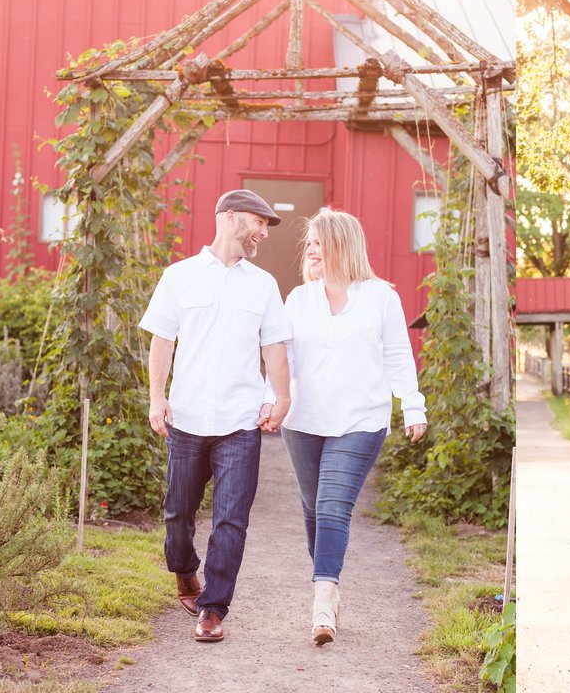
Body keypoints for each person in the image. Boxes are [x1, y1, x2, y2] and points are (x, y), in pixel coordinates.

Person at [140, 189, 292, 643]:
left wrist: (280, 398)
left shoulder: (263, 284)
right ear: (229, 218)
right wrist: (156, 397)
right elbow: (162, 341)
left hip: (240, 421)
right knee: (177, 511)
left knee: (231, 518)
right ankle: (184, 570)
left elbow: (275, 346)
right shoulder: (179, 276)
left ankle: (213, 607)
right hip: (185, 417)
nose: (263, 232)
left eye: (266, 225)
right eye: (258, 223)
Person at [275, 208, 427, 646]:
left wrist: (412, 407)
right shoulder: (300, 299)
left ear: (343, 245)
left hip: (360, 420)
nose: (311, 250)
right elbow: (282, 359)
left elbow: (398, 354)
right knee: (313, 508)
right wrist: (272, 398)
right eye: (310, 244)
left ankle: (322, 603)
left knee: (331, 507)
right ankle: (331, 585)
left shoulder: (381, 297)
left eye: (319, 242)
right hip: (304, 420)